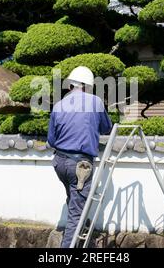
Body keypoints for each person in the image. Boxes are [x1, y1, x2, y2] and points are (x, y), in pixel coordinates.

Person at [47, 66, 113, 248]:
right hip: (80, 166)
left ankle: (86, 243)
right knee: (76, 212)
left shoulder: (59, 105)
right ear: (88, 86)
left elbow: (51, 140)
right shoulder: (96, 102)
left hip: (59, 163)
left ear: (70, 86)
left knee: (74, 202)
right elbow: (107, 128)